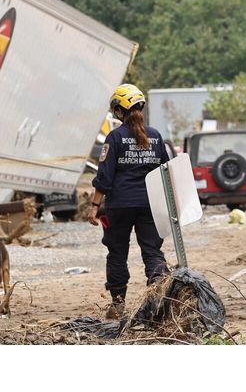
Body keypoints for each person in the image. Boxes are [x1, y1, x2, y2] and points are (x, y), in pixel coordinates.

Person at [89, 83, 171, 318]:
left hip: (119, 206)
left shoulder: (115, 137)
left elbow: (104, 176)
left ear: (119, 111)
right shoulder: (155, 136)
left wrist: (94, 207)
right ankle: (159, 302)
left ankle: (117, 305)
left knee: (117, 253)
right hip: (150, 205)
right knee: (152, 252)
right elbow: (165, 170)